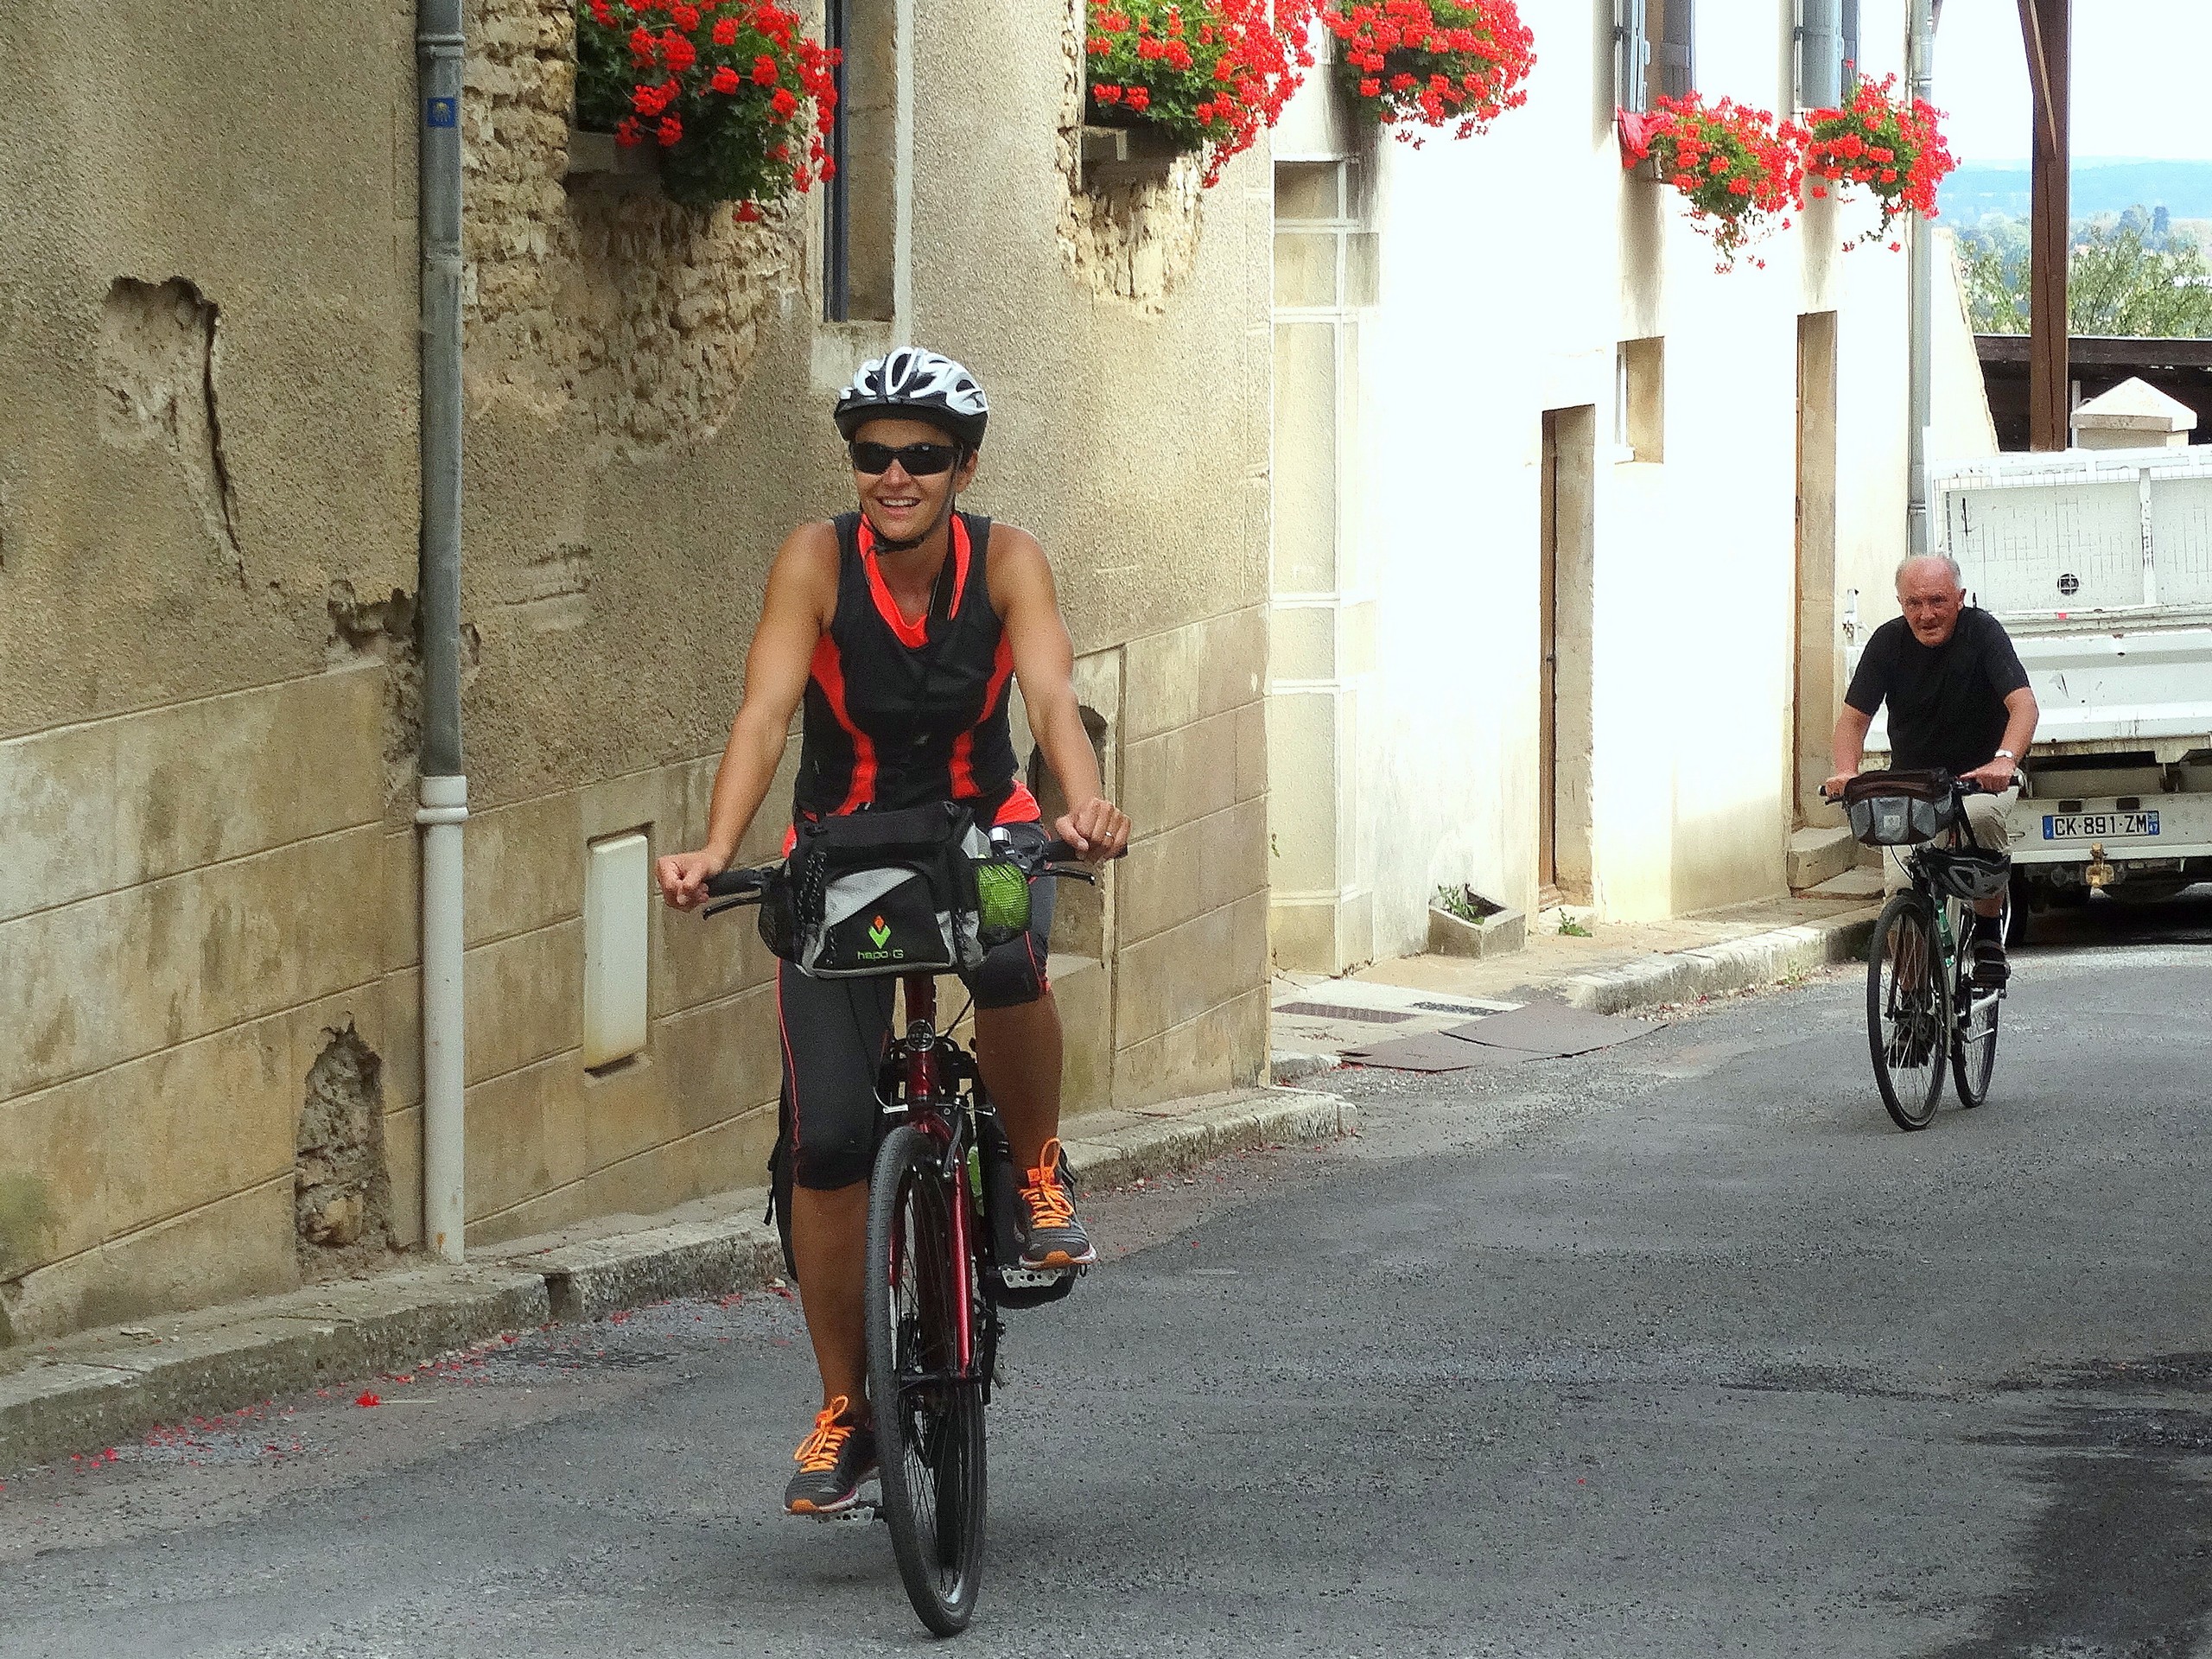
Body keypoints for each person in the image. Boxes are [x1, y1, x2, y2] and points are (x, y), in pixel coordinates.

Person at [653, 348, 1131, 1515]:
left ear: (963, 467)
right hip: (846, 850)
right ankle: (844, 1410)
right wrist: (719, 845)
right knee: (823, 1141)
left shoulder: (1008, 562)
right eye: (874, 456)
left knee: (1013, 957)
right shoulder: (815, 562)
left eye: (922, 456)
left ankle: (1034, 1173)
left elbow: (1053, 699)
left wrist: (1079, 804)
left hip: (986, 834)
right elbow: (766, 711)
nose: (896, 475)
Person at [1826, 552, 2039, 987]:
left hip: (1979, 778)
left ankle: (1986, 933)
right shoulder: (1887, 643)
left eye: (1938, 601)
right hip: (1912, 785)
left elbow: (2024, 706)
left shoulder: (1984, 634)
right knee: (1899, 891)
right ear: (1901, 603)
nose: (1926, 615)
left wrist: (2004, 759)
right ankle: (1914, 1000)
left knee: (1980, 820)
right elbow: (1853, 720)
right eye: (1914, 604)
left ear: (1960, 598)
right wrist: (1846, 772)